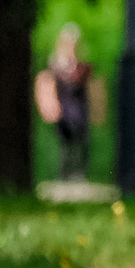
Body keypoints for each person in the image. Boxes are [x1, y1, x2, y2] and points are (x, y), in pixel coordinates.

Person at [32, 24, 102, 182]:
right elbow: (46, 85)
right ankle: (64, 174)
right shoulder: (55, 65)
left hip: (81, 110)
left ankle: (79, 174)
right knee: (65, 143)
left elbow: (94, 86)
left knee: (82, 142)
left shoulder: (83, 66)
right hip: (64, 110)